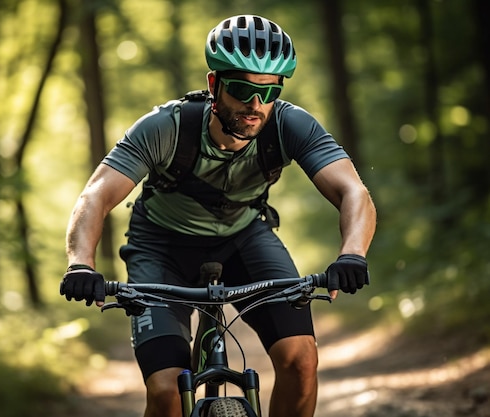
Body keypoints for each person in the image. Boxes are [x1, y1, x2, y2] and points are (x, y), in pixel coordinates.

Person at [60, 14, 376, 417]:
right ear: (215, 85)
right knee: (166, 389)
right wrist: (81, 264)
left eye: (270, 91)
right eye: (242, 89)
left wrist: (352, 253)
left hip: (245, 238)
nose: (255, 105)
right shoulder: (165, 128)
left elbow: (353, 191)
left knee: (301, 361)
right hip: (161, 248)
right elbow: (96, 195)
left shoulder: (289, 125)